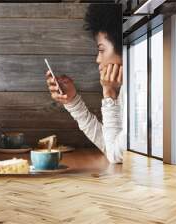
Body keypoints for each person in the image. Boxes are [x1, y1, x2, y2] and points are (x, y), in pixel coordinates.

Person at [45, 4, 125, 163]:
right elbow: (112, 146)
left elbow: (115, 156)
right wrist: (73, 101)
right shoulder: (125, 89)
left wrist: (109, 95)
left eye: (101, 50)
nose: (98, 59)